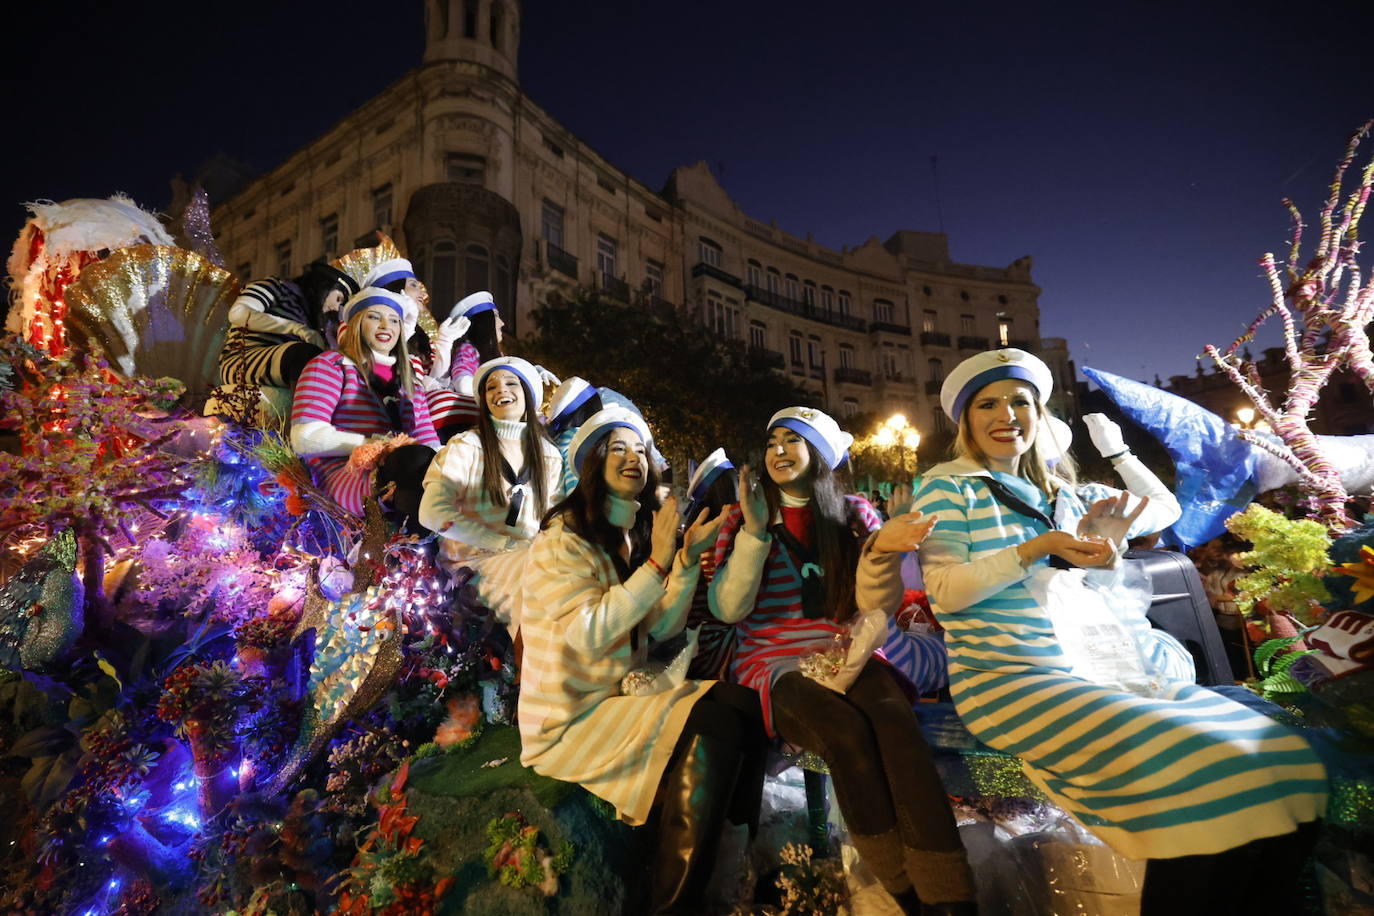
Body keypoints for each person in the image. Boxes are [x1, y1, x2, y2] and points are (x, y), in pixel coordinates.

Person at [910, 348, 1327, 915]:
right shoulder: (948, 487)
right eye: (988, 403)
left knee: (1286, 755)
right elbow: (946, 592)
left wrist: (1120, 453)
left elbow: (1163, 509)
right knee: (1203, 772)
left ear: (1040, 415)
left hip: (1104, 669)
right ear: (966, 420)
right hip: (1013, 678)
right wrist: (1038, 549)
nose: (1006, 414)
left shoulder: (1068, 496)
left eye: (1021, 402)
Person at [708, 407, 975, 915]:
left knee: (895, 720)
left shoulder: (854, 514)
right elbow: (727, 610)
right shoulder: (743, 516)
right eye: (773, 442)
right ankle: (904, 893)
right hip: (773, 662)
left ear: (821, 455)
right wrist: (755, 535)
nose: (780, 451)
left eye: (794, 440)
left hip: (849, 651)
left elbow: (883, 598)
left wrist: (894, 545)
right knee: (843, 731)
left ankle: (953, 898)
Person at [517, 408, 767, 914]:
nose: (634, 458)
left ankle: (731, 873)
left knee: (746, 706)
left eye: (641, 451)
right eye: (618, 449)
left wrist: (685, 561)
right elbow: (588, 633)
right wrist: (656, 561)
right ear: (591, 464)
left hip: (611, 697)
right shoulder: (561, 541)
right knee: (714, 724)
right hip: (568, 718)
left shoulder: (623, 534)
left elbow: (655, 627)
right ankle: (673, 905)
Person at [290, 287, 439, 526]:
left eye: (393, 320)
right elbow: (304, 437)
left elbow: (427, 438)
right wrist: (373, 445)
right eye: (374, 317)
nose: (385, 326)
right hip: (345, 472)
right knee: (415, 462)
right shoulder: (331, 364)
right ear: (357, 323)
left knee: (443, 471)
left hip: (405, 464)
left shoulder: (409, 380)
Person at [419, 356, 562, 574]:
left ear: (528, 393)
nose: (501, 390)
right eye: (491, 387)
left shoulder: (549, 456)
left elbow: (556, 522)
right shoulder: (466, 446)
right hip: (469, 567)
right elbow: (432, 512)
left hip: (530, 567)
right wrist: (503, 544)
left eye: (511, 383)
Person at [218, 261, 358, 389]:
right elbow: (238, 313)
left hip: (284, 364)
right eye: (338, 299)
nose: (336, 307)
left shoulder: (315, 319)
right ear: (324, 286)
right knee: (306, 356)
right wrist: (296, 329)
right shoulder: (276, 286)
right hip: (242, 360)